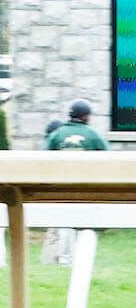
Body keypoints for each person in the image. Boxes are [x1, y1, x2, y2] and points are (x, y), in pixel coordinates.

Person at [42, 99, 109, 266]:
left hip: (61, 187)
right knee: (85, 222)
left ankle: (66, 259)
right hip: (86, 187)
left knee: (65, 222)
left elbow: (43, 158)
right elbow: (108, 158)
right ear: (86, 116)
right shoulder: (93, 135)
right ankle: (84, 259)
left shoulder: (57, 134)